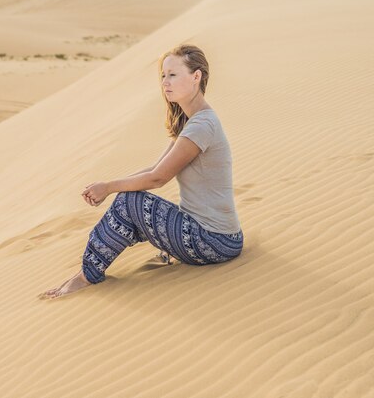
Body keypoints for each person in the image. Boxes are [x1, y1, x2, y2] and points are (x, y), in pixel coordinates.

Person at [39, 44, 244, 300]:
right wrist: (108, 184)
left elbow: (158, 178)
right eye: (163, 75)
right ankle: (89, 270)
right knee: (130, 203)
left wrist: (109, 188)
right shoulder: (194, 122)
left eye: (173, 74)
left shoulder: (202, 125)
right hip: (218, 238)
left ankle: (85, 277)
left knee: (128, 202)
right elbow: (155, 168)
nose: (165, 82)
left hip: (214, 241)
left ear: (196, 76)